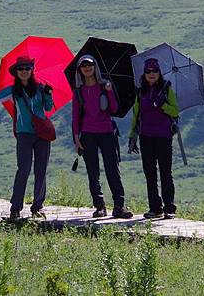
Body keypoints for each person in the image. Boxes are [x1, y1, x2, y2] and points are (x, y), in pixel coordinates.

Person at [0, 56, 54, 220]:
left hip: (41, 134)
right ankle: (16, 207)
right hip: (24, 134)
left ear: (32, 70)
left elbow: (47, 108)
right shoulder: (13, 90)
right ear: (16, 72)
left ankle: (38, 206)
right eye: (21, 69)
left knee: (41, 170)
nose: (24, 71)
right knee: (23, 169)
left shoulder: (40, 88)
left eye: (27, 68)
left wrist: (48, 94)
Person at [72, 54, 133, 219]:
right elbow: (75, 117)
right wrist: (76, 140)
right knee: (93, 171)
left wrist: (109, 91)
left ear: (95, 67)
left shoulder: (104, 86)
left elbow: (113, 109)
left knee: (112, 170)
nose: (87, 68)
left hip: (107, 132)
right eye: (83, 65)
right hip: (87, 135)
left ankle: (119, 206)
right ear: (80, 69)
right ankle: (99, 206)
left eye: (90, 65)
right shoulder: (78, 92)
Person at [128, 58, 179, 219]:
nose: (151, 74)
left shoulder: (166, 89)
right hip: (146, 137)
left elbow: (175, 112)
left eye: (154, 71)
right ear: (144, 74)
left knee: (165, 172)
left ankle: (169, 207)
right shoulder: (140, 91)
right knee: (150, 173)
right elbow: (136, 114)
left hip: (163, 136)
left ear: (159, 73)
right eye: (148, 71)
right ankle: (155, 208)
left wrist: (162, 105)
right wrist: (132, 136)